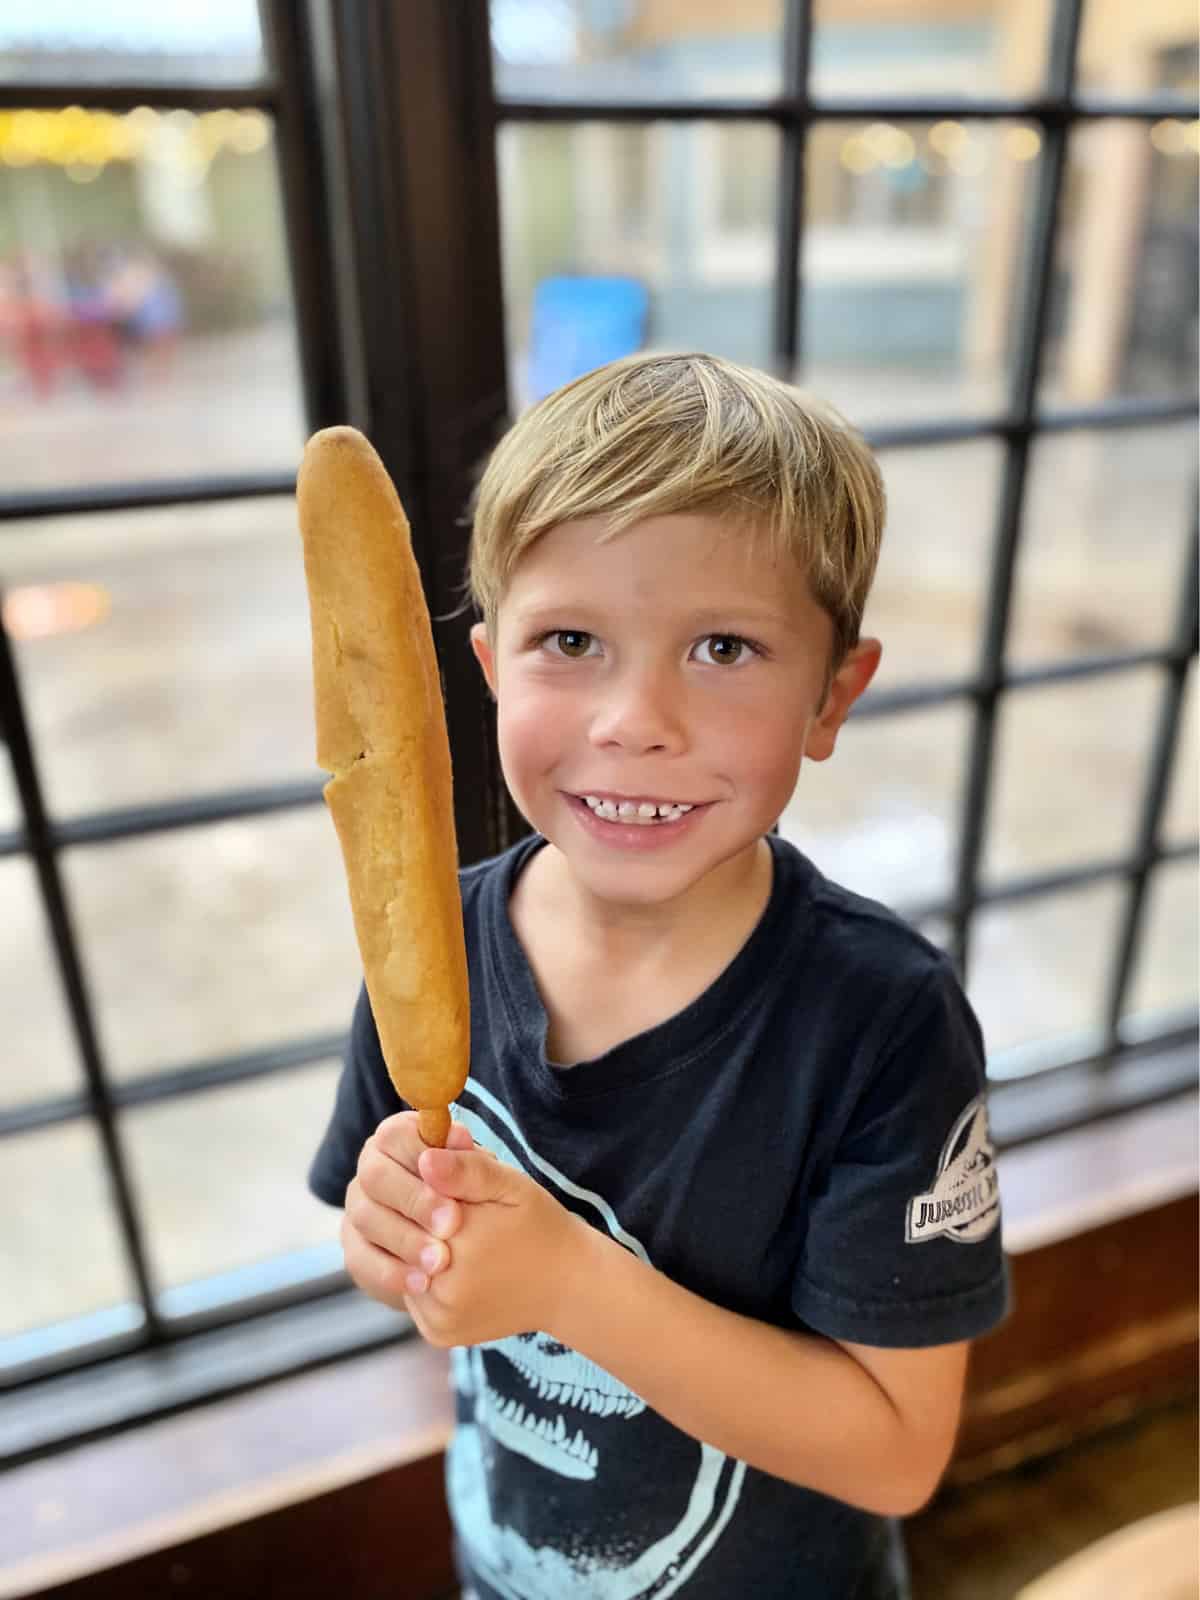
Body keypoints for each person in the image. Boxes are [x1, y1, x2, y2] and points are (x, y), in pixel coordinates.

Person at [308, 351, 1009, 1600]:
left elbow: (898, 1449)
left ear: (831, 696)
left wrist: (569, 1279)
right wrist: (396, 1242)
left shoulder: (880, 1023)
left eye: (725, 647)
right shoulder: (435, 945)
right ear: (485, 671)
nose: (636, 718)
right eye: (570, 639)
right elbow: (394, 1264)